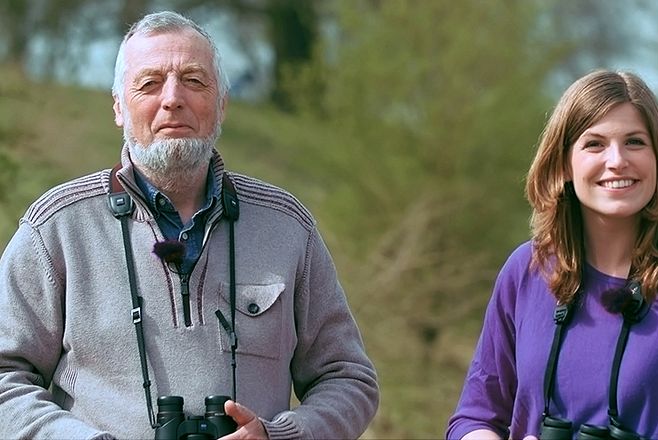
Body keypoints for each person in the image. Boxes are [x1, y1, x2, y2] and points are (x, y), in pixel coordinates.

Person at [0, 10, 378, 440]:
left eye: (194, 81)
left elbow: (348, 379)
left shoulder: (287, 225)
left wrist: (281, 436)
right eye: (150, 83)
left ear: (222, 105)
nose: (172, 99)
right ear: (119, 108)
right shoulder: (56, 227)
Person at [446, 70, 658, 439]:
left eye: (635, 142)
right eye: (595, 144)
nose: (617, 160)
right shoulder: (526, 271)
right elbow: (474, 418)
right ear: (563, 165)